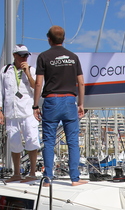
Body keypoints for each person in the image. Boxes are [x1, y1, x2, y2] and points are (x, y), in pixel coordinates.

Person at [33, 25, 87, 186]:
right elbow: (81, 82)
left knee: (49, 141)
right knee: (73, 141)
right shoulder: (73, 57)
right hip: (70, 100)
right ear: (63, 39)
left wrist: (35, 105)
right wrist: (81, 104)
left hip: (51, 100)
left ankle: (48, 178)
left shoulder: (43, 57)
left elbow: (38, 83)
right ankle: (75, 178)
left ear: (49, 39)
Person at [0, 44, 40, 182]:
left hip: (27, 110)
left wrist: (27, 73)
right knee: (14, 142)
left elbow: (36, 86)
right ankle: (16, 173)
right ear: (15, 55)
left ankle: (32, 172)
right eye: (21, 55)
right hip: (11, 111)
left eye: (26, 55)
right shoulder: (5, 70)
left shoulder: (32, 70)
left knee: (32, 139)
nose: (24, 58)